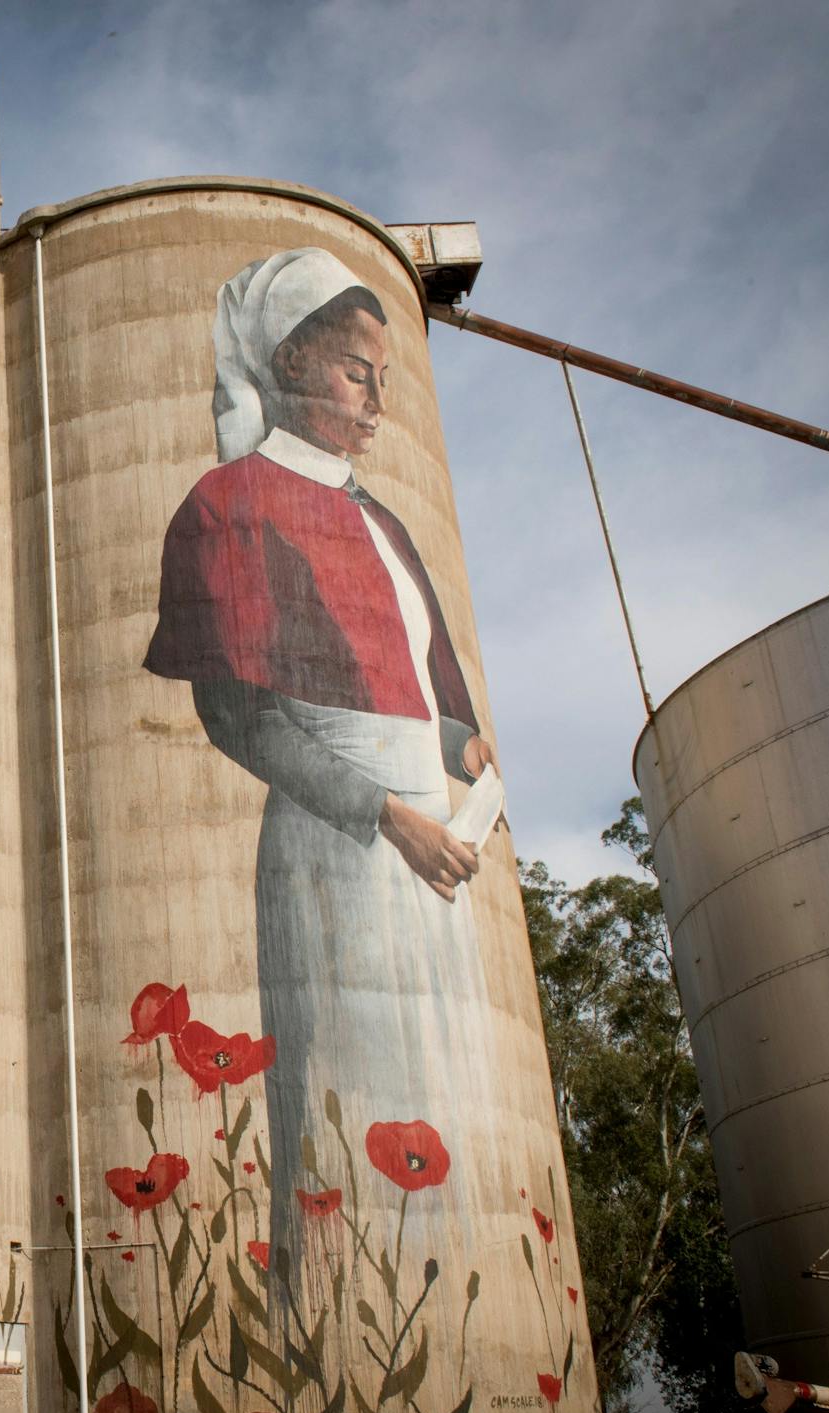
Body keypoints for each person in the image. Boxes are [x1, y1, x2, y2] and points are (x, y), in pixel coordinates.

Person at [143, 246, 501, 1281]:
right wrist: (391, 815)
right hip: (338, 843)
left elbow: (409, 681)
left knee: (453, 1094)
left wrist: (459, 743)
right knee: (351, 1092)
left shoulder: (380, 516)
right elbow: (239, 717)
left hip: (432, 838)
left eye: (387, 377)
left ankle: (455, 1302)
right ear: (292, 365)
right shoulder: (227, 506)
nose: (378, 399)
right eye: (357, 371)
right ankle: (342, 1313)